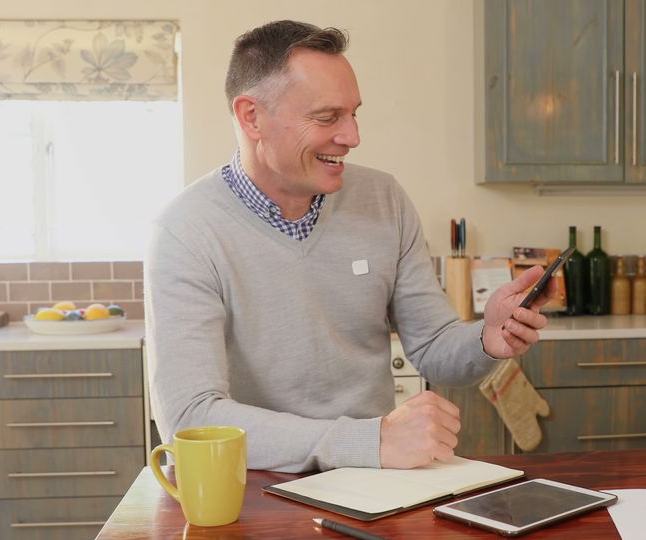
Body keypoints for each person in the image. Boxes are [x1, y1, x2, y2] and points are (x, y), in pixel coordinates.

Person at [145, 20, 556, 473]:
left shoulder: (384, 199)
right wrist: (367, 441)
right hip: (250, 492)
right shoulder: (185, 230)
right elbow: (190, 419)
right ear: (251, 116)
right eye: (327, 117)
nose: (352, 136)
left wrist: (486, 339)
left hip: (371, 483)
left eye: (353, 113)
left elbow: (435, 346)